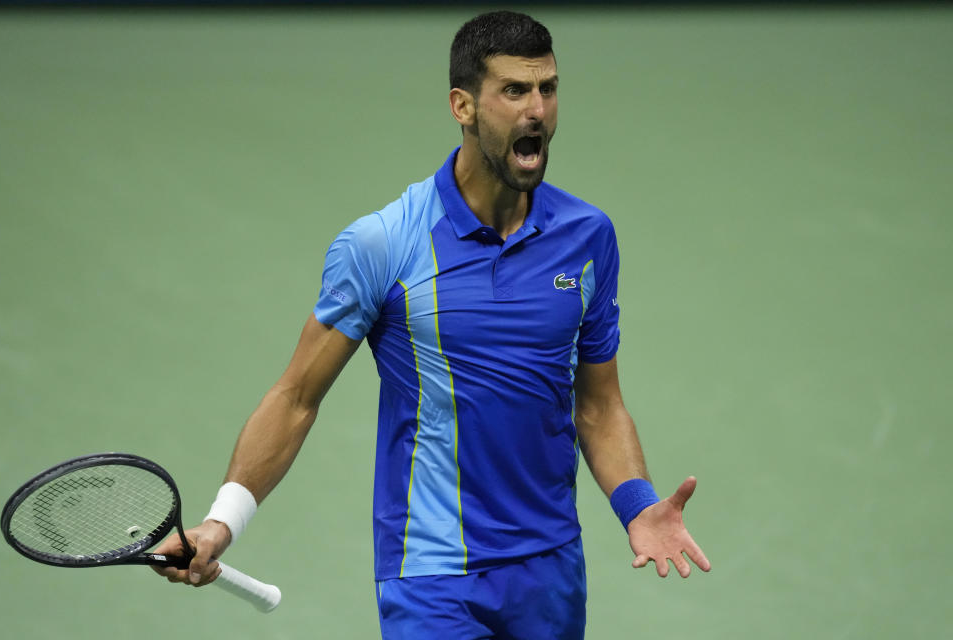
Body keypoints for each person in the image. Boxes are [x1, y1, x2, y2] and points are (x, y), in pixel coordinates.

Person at [152, 10, 710, 639]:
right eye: (514, 91)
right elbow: (296, 397)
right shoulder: (384, 243)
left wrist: (637, 507)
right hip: (431, 572)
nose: (537, 111)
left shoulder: (588, 237)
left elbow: (600, 407)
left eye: (548, 89)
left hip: (550, 568)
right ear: (462, 106)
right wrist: (221, 523)